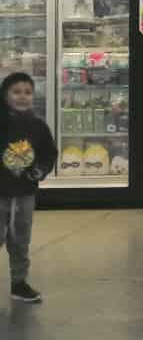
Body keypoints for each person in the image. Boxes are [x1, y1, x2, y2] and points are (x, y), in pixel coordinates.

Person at [0, 73, 56, 304]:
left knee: (20, 240)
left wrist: (38, 171)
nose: (22, 97)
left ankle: (19, 283)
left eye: (28, 92)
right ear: (5, 95)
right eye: (16, 92)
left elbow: (48, 154)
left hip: (24, 195)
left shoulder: (38, 127)